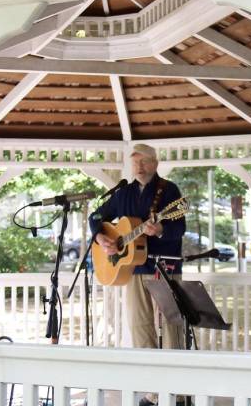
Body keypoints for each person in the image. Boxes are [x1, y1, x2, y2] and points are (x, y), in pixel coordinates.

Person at [89, 144, 186, 405]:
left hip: (165, 268)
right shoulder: (124, 193)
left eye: (144, 162)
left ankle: (176, 393)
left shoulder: (169, 191)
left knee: (172, 327)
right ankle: (154, 393)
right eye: (135, 163)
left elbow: (180, 228)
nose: (139, 167)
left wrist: (162, 230)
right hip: (134, 269)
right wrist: (100, 237)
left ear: (155, 163)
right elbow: (97, 215)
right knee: (140, 328)